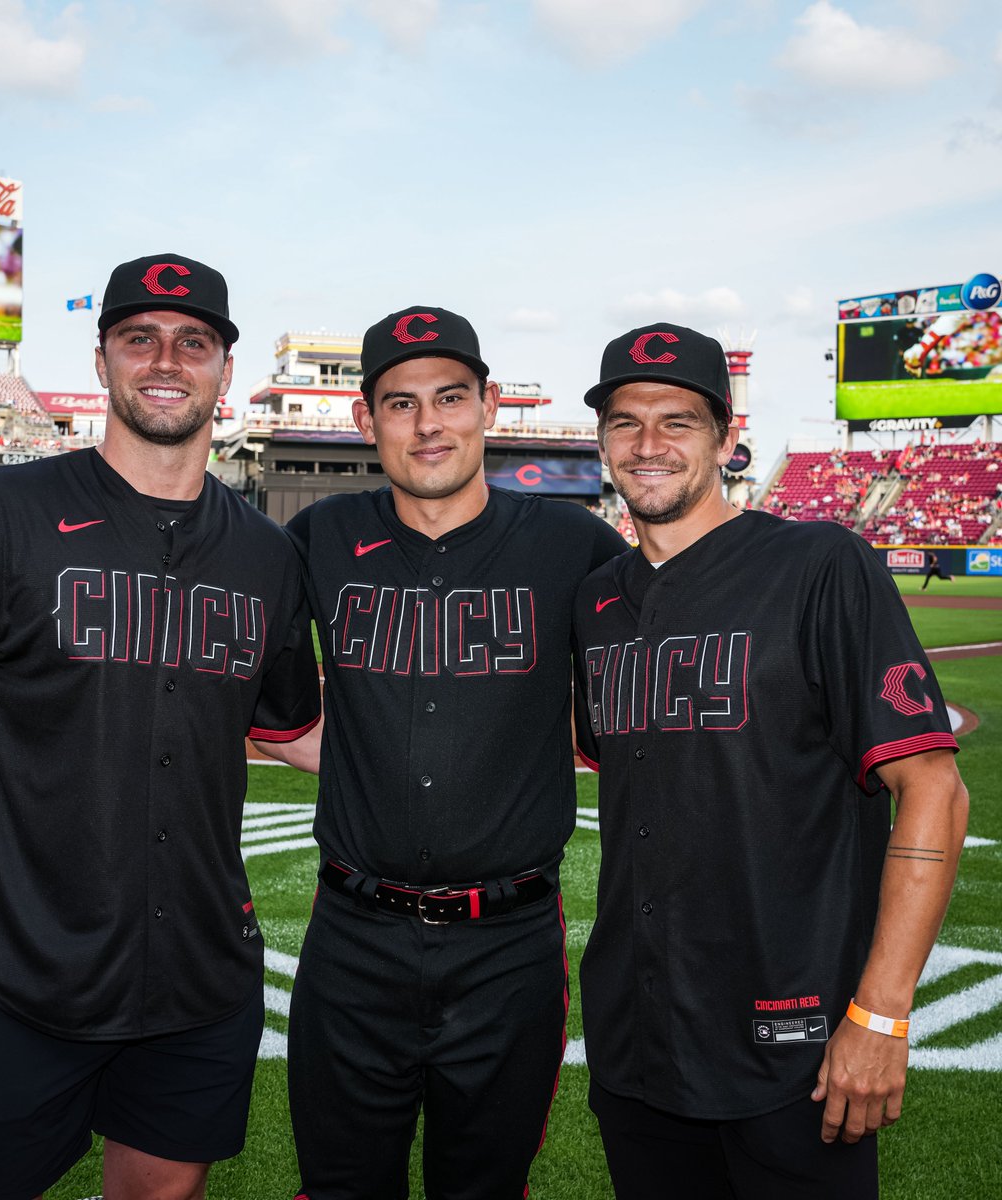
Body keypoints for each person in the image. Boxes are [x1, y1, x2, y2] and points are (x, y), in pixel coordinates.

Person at [0, 253, 321, 1200]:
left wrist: (474, 743)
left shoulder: (265, 554)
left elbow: (295, 732)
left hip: (200, 978)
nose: (166, 359)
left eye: (192, 342)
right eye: (140, 338)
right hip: (22, 971)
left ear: (224, 373)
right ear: (102, 361)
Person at [571, 322, 969, 1199]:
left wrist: (881, 1013)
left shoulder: (821, 564)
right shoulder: (597, 600)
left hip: (794, 1038)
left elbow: (933, 788)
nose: (648, 444)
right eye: (625, 421)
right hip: (639, 1036)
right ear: (601, 440)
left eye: (678, 421)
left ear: (725, 438)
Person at [270, 305, 628, 1199]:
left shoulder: (575, 544)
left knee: (485, 1186)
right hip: (353, 936)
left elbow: (638, 712)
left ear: (490, 404)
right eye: (400, 403)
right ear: (365, 420)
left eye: (451, 397)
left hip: (508, 947)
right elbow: (243, 689)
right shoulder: (314, 540)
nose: (429, 424)